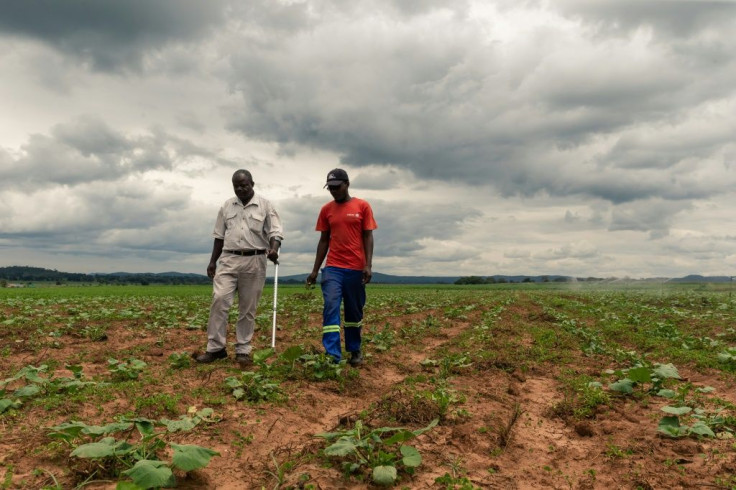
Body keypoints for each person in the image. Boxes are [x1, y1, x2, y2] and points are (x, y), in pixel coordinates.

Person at [195, 169, 283, 368]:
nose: (241, 189)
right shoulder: (226, 206)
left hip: (255, 260)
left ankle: (243, 349)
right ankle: (216, 348)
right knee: (219, 300)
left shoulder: (265, 205)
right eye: (237, 186)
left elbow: (276, 232)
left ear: (252, 183)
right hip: (228, 259)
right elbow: (218, 236)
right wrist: (212, 262)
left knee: (247, 308)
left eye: (244, 185)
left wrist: (274, 249)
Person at [306, 168, 377, 366]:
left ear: (346, 184)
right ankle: (333, 355)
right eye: (330, 188)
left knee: (354, 312)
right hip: (333, 268)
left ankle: (354, 350)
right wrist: (314, 270)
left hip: (355, 268)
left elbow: (368, 236)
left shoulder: (362, 206)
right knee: (331, 306)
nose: (334, 191)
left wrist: (368, 265)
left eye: (337, 187)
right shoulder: (326, 210)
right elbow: (323, 241)